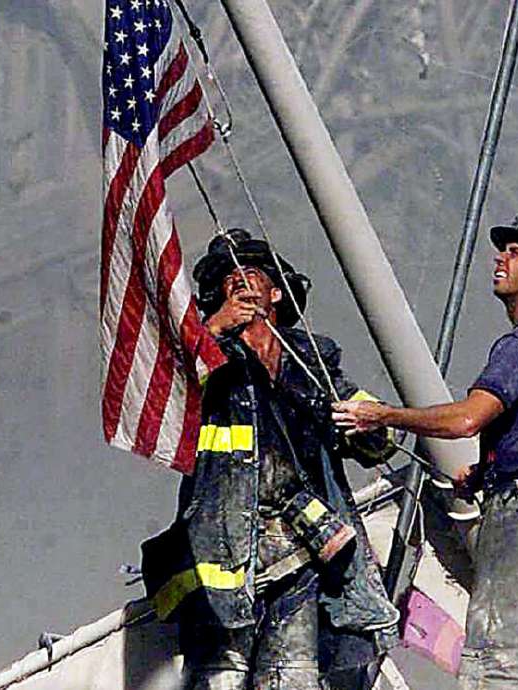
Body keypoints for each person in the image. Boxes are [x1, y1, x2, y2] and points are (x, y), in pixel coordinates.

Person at [332, 195, 518, 689]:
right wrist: (483, 474)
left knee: (499, 668)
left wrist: (385, 415)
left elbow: (466, 420)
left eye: (516, 252)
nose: (500, 258)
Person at [141, 229, 400, 690]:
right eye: (225, 280)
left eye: (250, 273)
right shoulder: (207, 355)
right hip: (221, 551)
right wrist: (213, 330)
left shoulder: (311, 360)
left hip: (301, 549)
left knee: (292, 677)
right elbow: (168, 396)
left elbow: (369, 438)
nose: (236, 283)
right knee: (220, 678)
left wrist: (373, 424)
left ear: (276, 291)